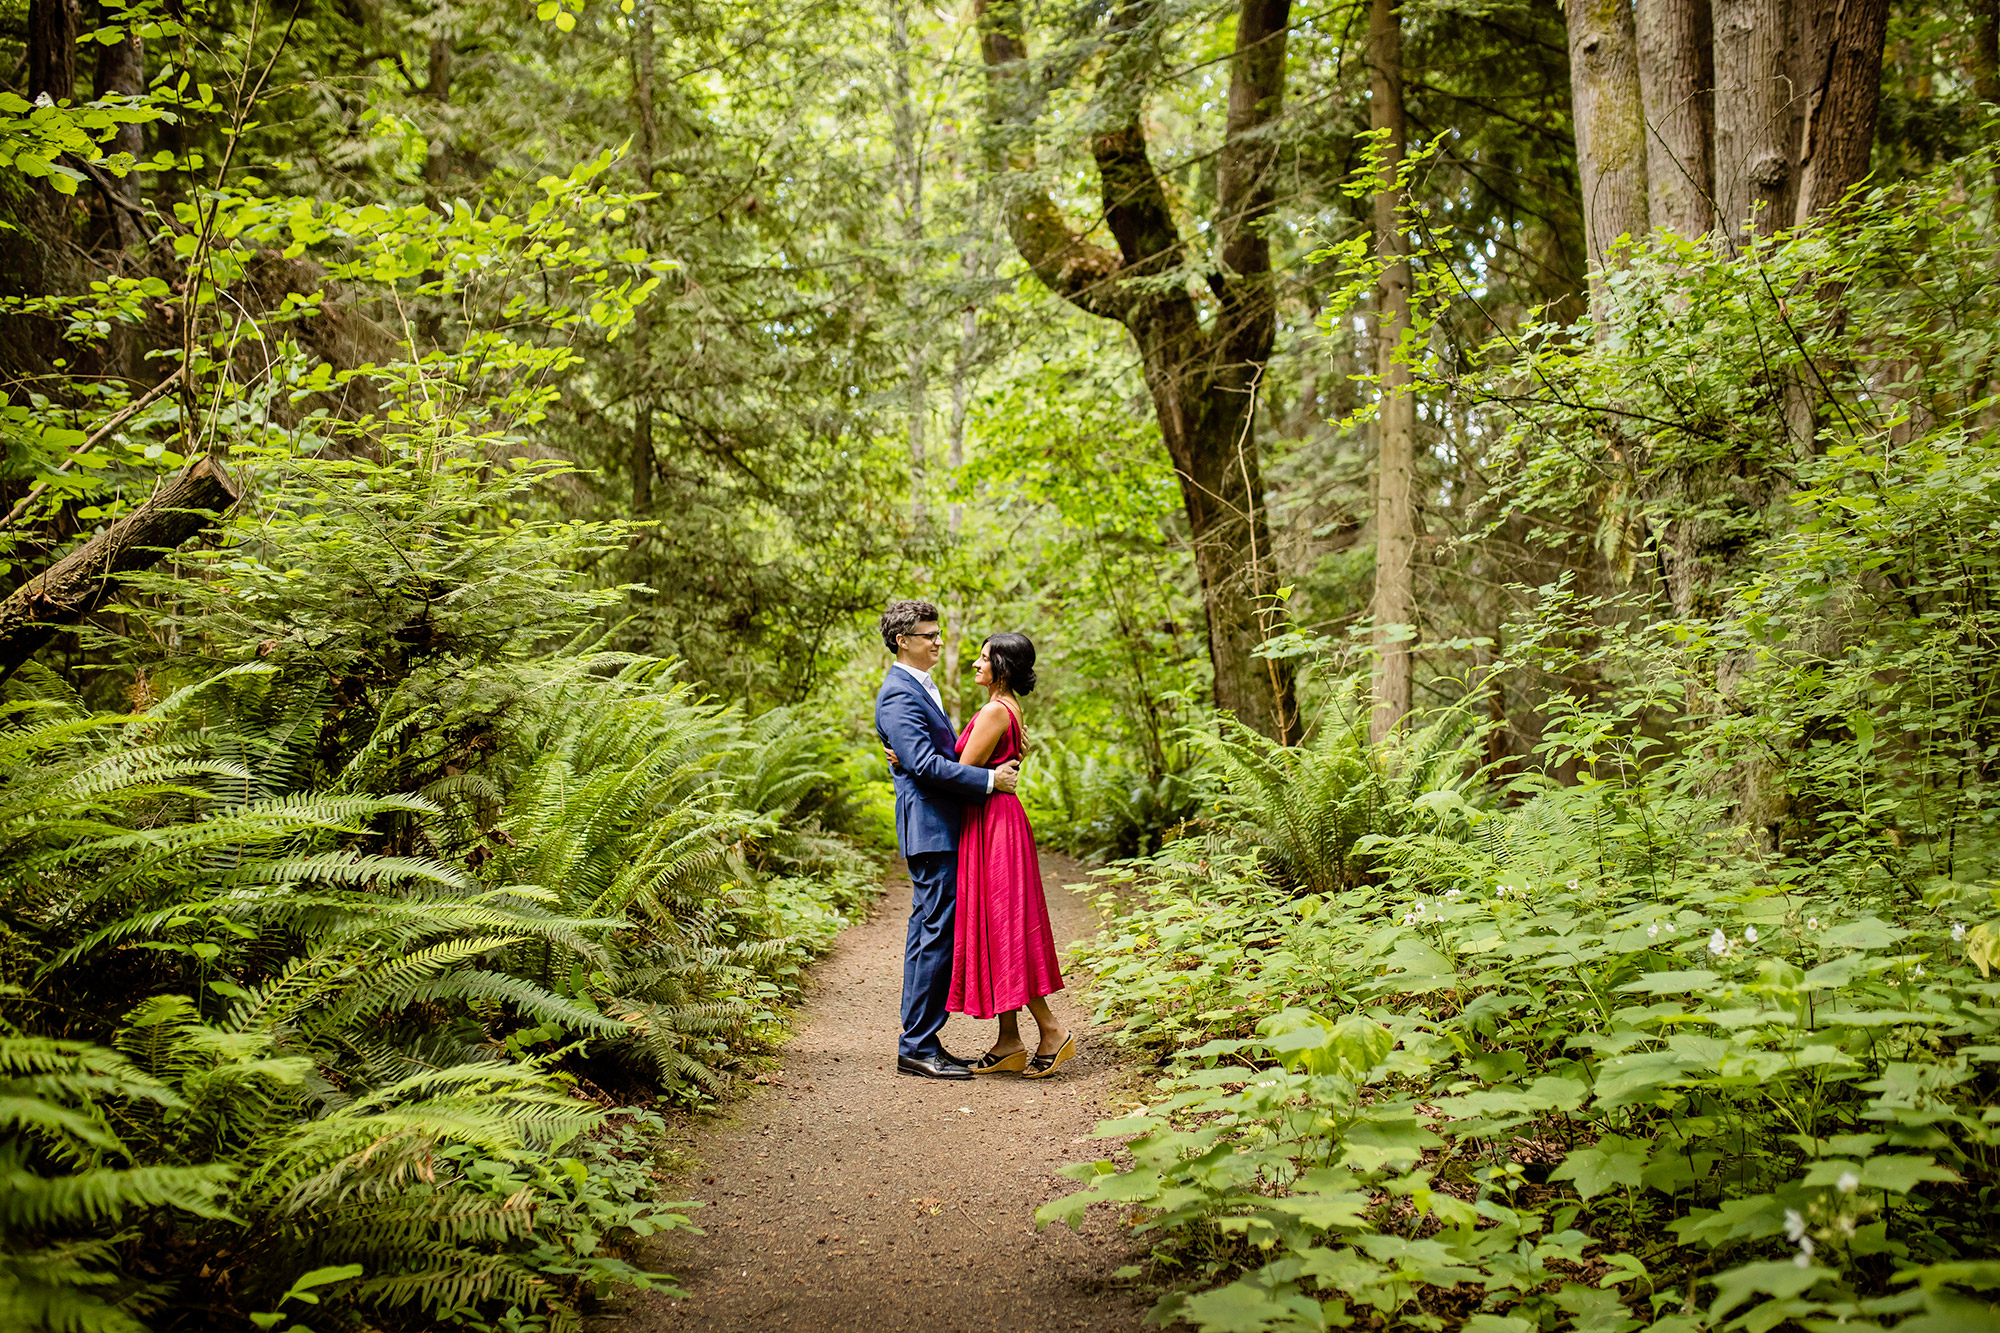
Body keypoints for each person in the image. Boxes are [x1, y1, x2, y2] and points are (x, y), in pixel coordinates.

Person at [873, 599, 1020, 1081]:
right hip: (931, 828)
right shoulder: (898, 692)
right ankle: (915, 1044)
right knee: (931, 932)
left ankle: (924, 1039)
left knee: (936, 930)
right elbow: (925, 765)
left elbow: (924, 756)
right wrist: (988, 782)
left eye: (938, 633)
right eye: (928, 634)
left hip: (945, 823)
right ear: (902, 640)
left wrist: (910, 761)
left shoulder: (921, 688)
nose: (939, 641)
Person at [947, 633, 1074, 1079]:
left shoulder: (994, 711)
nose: (975, 663)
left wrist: (914, 765)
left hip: (994, 825)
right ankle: (1008, 1042)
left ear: (1002, 667)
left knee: (1003, 928)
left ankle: (1052, 1029)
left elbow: (960, 773)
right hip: (995, 820)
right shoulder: (1008, 708)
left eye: (984, 658)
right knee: (997, 926)